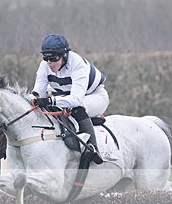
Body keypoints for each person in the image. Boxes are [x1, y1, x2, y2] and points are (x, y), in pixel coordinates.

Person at [30, 33, 112, 163]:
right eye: (46, 58)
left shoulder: (77, 64)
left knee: (76, 108)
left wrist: (50, 100)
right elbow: (37, 94)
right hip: (66, 96)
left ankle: (92, 148)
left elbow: (75, 100)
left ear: (64, 56)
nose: (50, 63)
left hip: (94, 95)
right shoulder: (44, 66)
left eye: (54, 58)